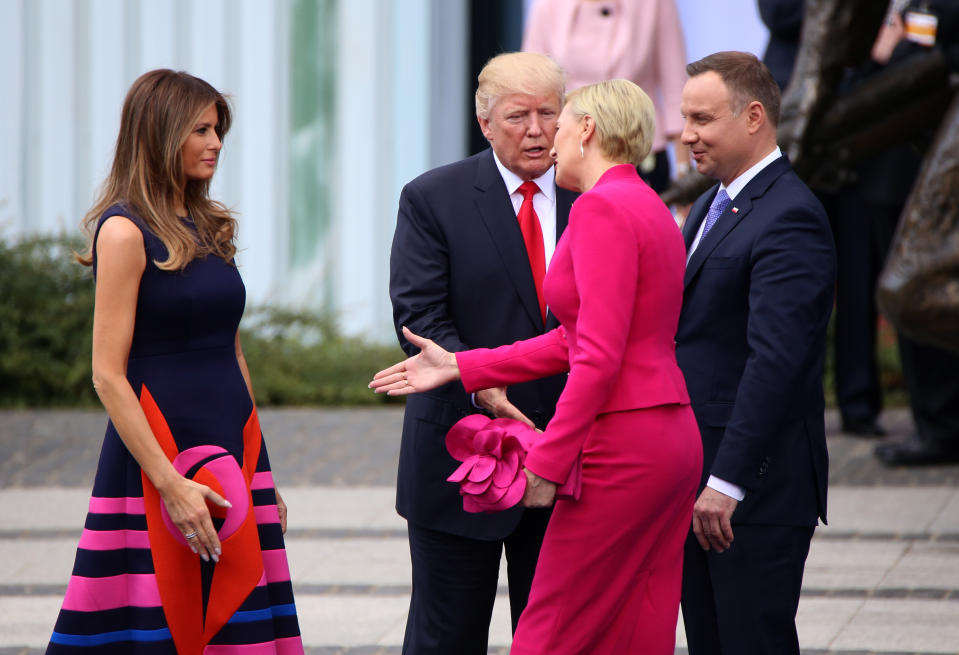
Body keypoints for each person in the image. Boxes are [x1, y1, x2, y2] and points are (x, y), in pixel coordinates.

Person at [375, 79, 702, 655]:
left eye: (560, 117)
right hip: (668, 435)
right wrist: (462, 367)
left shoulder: (600, 207)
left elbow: (595, 358)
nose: (549, 135)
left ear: (587, 131)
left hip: (621, 444)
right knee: (634, 625)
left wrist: (549, 461)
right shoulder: (646, 202)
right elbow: (572, 341)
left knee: (550, 632)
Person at [46, 69, 303, 654]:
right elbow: (107, 375)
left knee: (234, 614)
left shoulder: (208, 226)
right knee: (165, 620)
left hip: (231, 446)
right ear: (161, 134)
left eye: (218, 131)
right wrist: (170, 484)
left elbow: (231, 350)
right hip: (156, 455)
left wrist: (264, 473)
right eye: (201, 130)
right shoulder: (123, 231)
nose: (215, 143)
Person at [388, 52, 576, 654]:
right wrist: (479, 381)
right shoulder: (433, 197)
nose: (538, 130)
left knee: (556, 638)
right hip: (458, 448)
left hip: (568, 450)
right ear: (485, 122)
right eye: (518, 115)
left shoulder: (591, 197)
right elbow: (419, 316)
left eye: (550, 113)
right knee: (446, 637)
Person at [676, 52, 836, 655]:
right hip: (704, 483)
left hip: (750, 492)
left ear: (753, 117)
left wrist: (727, 481)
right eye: (685, 117)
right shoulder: (714, 205)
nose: (687, 134)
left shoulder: (789, 215)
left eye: (702, 118)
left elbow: (777, 361)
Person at [522, 0, 691, 192]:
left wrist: (684, 173)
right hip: (569, 157)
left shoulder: (654, 4)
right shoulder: (547, 5)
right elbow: (533, 83)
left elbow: (675, 85)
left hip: (639, 152)